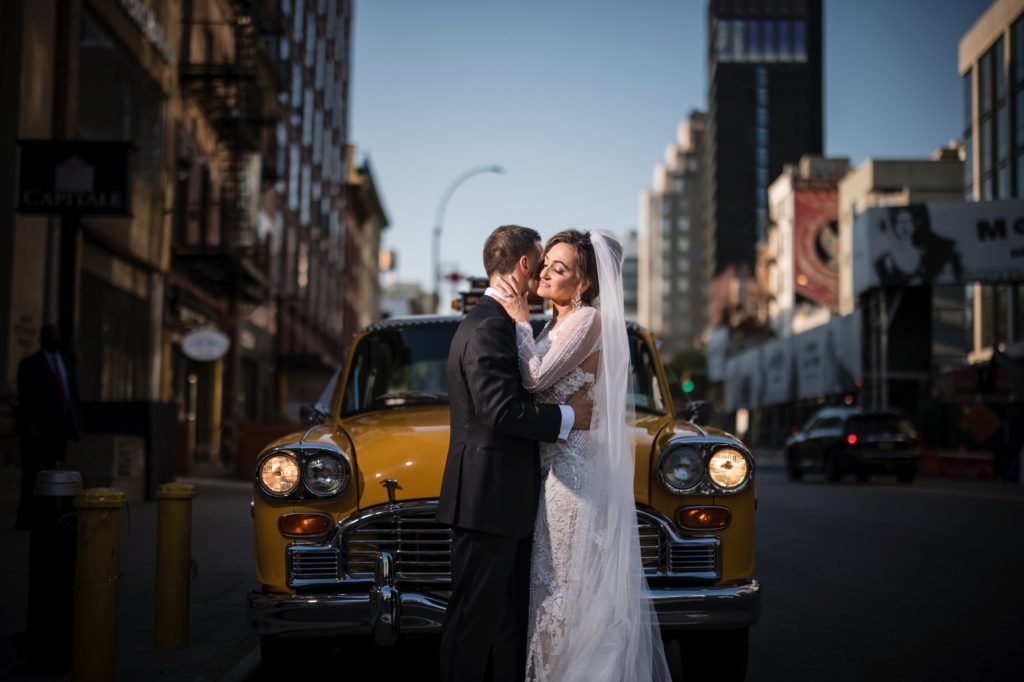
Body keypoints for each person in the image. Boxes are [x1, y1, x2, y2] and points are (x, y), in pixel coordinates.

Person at [493, 230, 670, 682]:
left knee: (565, 589)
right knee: (553, 586)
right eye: (547, 262)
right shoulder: (554, 323)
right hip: (553, 467)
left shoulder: (587, 320)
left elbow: (534, 380)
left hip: (574, 472)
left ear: (585, 283)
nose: (547, 271)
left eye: (561, 268)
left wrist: (517, 318)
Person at [436, 225, 593, 682]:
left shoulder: (505, 322)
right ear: (524, 264)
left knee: (507, 626)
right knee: (471, 626)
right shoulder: (489, 325)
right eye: (541, 261)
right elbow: (501, 411)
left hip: (506, 504)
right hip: (488, 504)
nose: (543, 270)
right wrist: (569, 417)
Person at [14, 324, 83, 529]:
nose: (56, 339)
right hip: (38, 431)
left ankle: (51, 517)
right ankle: (26, 518)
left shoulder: (67, 364)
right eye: (51, 336)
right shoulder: (30, 364)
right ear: (43, 338)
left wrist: (76, 425)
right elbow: (24, 398)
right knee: (33, 476)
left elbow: (72, 397)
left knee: (56, 475)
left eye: (57, 335)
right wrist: (30, 425)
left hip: (60, 431)